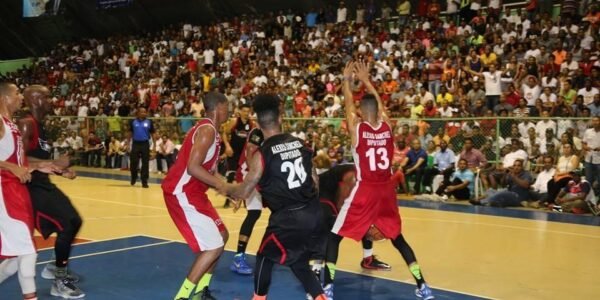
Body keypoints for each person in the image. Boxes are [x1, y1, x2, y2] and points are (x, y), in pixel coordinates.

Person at [324, 62, 434, 300]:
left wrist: (346, 80)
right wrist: (366, 81)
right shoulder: (387, 126)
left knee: (334, 236)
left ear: (362, 113)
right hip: (387, 190)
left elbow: (349, 107)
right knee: (398, 239)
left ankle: (328, 287)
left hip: (366, 189)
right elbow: (381, 106)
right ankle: (423, 285)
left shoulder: (358, 129)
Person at [221, 94, 326, 300]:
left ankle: (259, 298)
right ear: (280, 119)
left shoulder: (262, 154)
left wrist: (221, 185)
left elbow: (244, 191)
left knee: (264, 257)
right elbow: (315, 180)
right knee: (298, 262)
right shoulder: (300, 144)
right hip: (313, 213)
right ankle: (320, 297)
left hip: (288, 218)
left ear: (258, 124)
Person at [161, 92, 230, 300]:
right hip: (182, 192)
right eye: (227, 107)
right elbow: (192, 167)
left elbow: (208, 170)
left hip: (195, 193)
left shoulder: (213, 132)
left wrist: (226, 188)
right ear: (218, 108)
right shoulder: (207, 130)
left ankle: (201, 290)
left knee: (222, 235)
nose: (230, 111)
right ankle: (182, 296)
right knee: (214, 245)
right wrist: (220, 184)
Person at [18, 85, 85, 299]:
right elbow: (18, 160)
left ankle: (56, 268)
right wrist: (52, 162)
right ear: (35, 100)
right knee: (68, 222)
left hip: (43, 183)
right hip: (29, 187)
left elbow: (40, 161)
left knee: (74, 221)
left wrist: (61, 170)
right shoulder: (27, 124)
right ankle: (59, 281)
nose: (51, 100)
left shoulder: (41, 126)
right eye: (46, 97)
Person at [311, 163, 391, 277]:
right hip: (324, 193)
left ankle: (368, 260)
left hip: (337, 191)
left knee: (365, 219)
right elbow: (341, 205)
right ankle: (317, 267)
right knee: (333, 227)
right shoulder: (353, 177)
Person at [229, 127, 264, 275]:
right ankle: (239, 257)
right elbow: (250, 150)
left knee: (256, 214)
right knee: (254, 214)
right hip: (251, 177)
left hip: (258, 178)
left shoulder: (266, 131)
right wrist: (245, 187)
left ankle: (273, 252)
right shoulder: (258, 133)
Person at [222, 103, 255, 207]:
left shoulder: (252, 124)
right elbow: (224, 133)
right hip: (234, 153)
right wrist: (227, 146)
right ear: (240, 111)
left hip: (245, 155)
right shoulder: (234, 121)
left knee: (246, 177)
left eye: (247, 111)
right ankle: (228, 201)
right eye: (244, 111)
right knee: (231, 176)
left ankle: (245, 200)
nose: (246, 113)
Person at [130, 107, 155, 188]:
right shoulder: (133, 121)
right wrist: (127, 143)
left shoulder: (149, 122)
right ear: (138, 113)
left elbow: (153, 134)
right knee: (134, 162)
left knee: (145, 163)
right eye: (142, 112)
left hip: (145, 144)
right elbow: (130, 133)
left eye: (145, 112)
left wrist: (154, 145)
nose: (144, 113)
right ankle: (133, 177)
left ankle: (144, 181)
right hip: (135, 144)